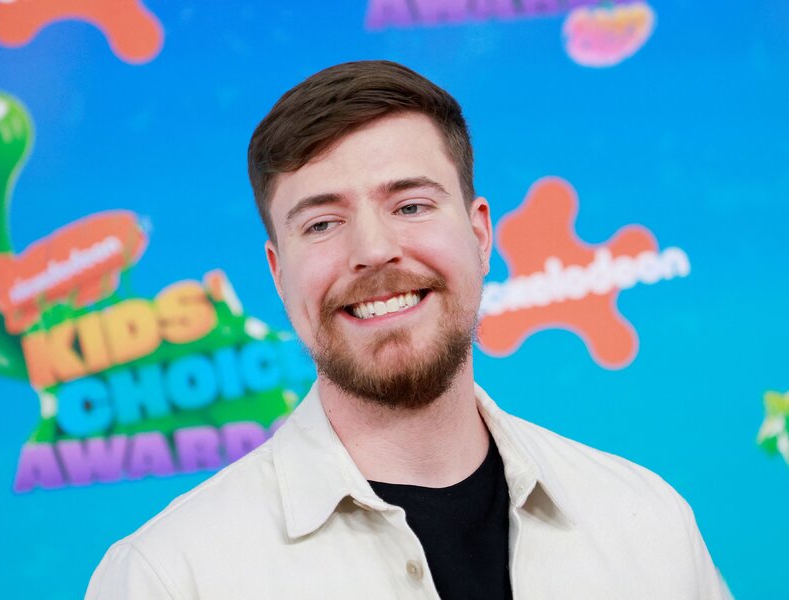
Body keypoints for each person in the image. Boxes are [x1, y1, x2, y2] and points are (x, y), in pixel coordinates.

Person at [86, 60, 727, 599]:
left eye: (411, 205)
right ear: (278, 274)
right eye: (322, 223)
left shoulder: (651, 527)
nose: (373, 250)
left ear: (480, 234)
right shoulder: (168, 578)